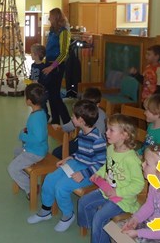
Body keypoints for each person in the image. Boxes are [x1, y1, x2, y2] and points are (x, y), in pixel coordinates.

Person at [27, 100, 106, 233]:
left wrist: (84, 174)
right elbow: (82, 153)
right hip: (77, 164)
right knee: (50, 179)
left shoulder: (98, 139)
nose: (71, 118)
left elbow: (101, 164)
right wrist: (70, 158)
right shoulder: (82, 133)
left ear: (81, 120)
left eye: (73, 116)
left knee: (61, 187)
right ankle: (46, 211)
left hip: (90, 172)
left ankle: (68, 215)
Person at [77, 114, 145, 243]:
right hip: (107, 190)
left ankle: (98, 235)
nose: (106, 132)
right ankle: (93, 230)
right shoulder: (110, 148)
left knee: (99, 217)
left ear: (124, 135)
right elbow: (108, 166)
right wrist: (99, 173)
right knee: (83, 202)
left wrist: (117, 192)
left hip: (123, 199)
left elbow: (138, 185)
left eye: (111, 130)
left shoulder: (131, 159)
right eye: (107, 129)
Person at [8, 83, 48, 198]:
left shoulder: (35, 117)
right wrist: (28, 131)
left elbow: (39, 138)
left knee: (12, 168)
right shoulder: (40, 112)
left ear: (29, 101)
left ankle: (31, 188)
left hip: (35, 152)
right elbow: (38, 132)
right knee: (16, 151)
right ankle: (27, 178)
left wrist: (23, 135)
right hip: (37, 149)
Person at [51, 87, 106, 159]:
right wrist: (61, 128)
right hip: (82, 138)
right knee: (57, 152)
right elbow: (72, 124)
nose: (84, 108)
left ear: (97, 105)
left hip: (91, 144)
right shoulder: (81, 113)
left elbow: (98, 139)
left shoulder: (101, 117)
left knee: (58, 153)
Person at [42, 8, 71, 125]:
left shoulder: (64, 32)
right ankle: (55, 120)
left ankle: (67, 121)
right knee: (51, 95)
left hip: (56, 67)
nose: (49, 18)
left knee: (55, 95)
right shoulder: (52, 31)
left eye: (50, 16)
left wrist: (51, 67)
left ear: (56, 17)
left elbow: (64, 53)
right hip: (49, 64)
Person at [29, 43, 49, 119]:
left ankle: (46, 117)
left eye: (32, 53)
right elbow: (32, 75)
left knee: (42, 104)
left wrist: (38, 82)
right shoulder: (33, 65)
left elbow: (45, 80)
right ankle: (38, 115)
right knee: (36, 103)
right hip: (34, 89)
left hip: (41, 91)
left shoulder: (43, 67)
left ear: (36, 55)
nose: (30, 54)